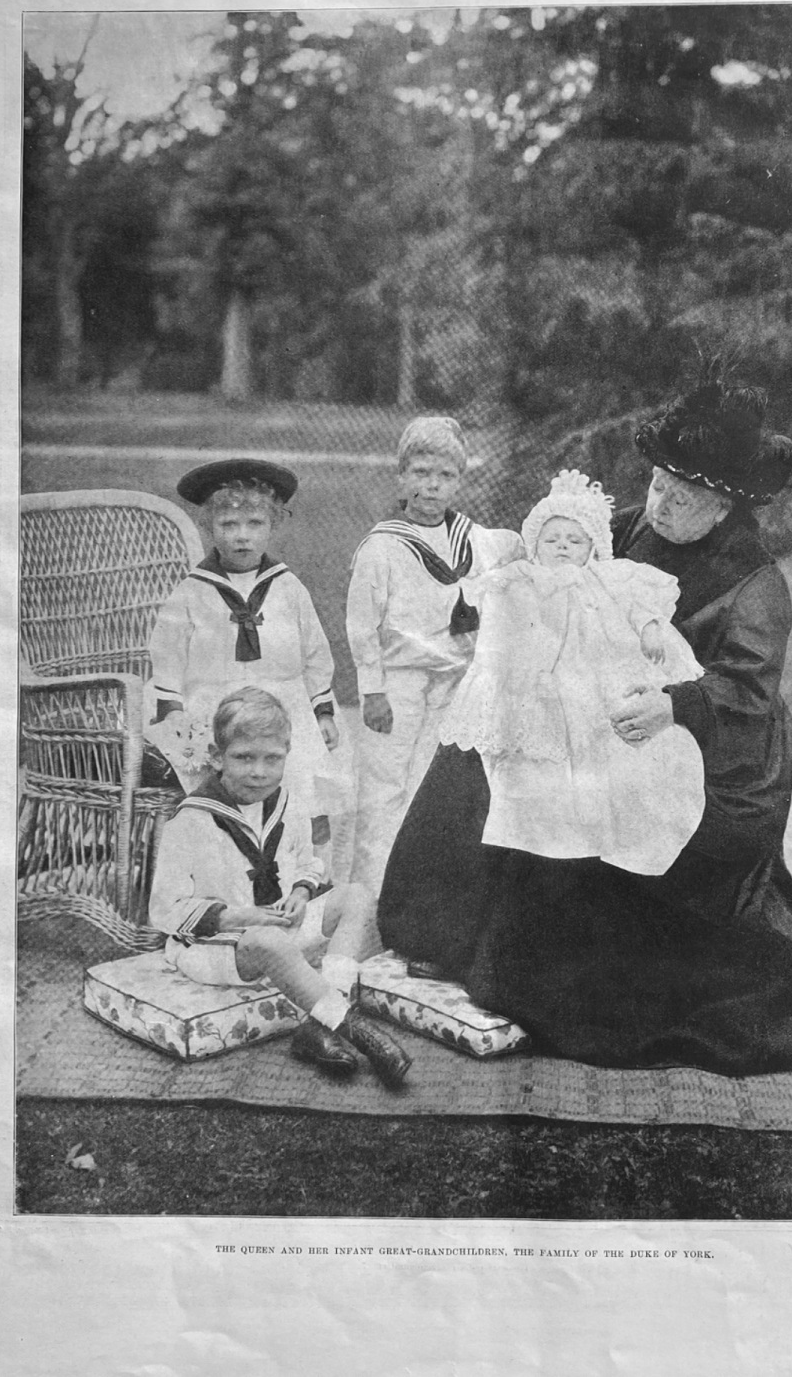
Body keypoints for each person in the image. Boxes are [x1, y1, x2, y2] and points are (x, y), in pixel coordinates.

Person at [378, 380, 792, 1075]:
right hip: (601, 704)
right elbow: (560, 574)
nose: (659, 506)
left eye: (681, 499)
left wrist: (673, 705)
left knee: (593, 793)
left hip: (713, 743)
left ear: (725, 506)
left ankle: (547, 972)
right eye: (658, 485)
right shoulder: (635, 526)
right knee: (487, 748)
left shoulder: (754, 583)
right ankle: (443, 928)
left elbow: (747, 689)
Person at [437, 469, 706, 878]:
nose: (562, 547)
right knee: (528, 758)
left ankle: (595, 825)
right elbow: (481, 594)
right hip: (537, 676)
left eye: (574, 540)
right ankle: (532, 832)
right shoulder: (522, 575)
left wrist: (650, 627)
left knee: (598, 749)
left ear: (592, 548)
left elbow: (639, 598)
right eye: (552, 539)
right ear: (535, 545)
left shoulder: (605, 577)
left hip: (590, 673)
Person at [149, 687, 410, 1087]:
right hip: (218, 946)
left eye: (272, 759)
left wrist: (302, 894)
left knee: (356, 895)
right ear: (218, 757)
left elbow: (308, 862)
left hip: (279, 927)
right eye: (243, 758)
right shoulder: (191, 821)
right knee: (269, 942)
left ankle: (318, 1026)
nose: (259, 772)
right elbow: (165, 910)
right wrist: (237, 915)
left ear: (287, 755)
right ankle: (358, 1031)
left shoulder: (287, 801)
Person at [345, 416, 522, 894]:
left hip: (453, 682)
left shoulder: (472, 538)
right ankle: (370, 892)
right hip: (398, 681)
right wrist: (372, 689)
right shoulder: (383, 546)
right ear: (402, 477)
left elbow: (519, 546)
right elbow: (362, 625)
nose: (432, 486)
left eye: (445, 476)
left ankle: (412, 890)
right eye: (421, 473)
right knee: (386, 784)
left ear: (460, 481)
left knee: (429, 785)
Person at [146, 459, 341, 848]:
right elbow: (167, 658)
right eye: (228, 525)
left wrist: (322, 711)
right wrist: (176, 715)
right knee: (220, 806)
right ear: (210, 527)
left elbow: (315, 654)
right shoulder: (192, 591)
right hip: (215, 710)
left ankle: (305, 885)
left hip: (284, 709)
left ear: (272, 526)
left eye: (255, 525)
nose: (242, 537)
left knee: (303, 801)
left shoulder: (288, 588)